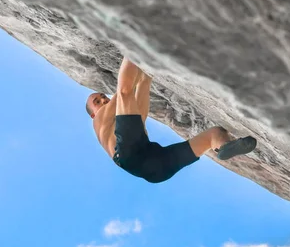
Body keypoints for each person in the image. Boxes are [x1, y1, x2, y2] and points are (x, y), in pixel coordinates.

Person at [86, 56, 257, 183]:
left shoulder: (123, 129)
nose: (103, 100)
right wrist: (133, 55)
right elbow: (123, 92)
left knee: (215, 133)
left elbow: (140, 115)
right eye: (97, 101)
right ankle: (129, 47)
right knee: (125, 91)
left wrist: (145, 77)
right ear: (93, 113)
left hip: (155, 170)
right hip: (129, 156)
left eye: (102, 96)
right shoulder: (98, 121)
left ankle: (224, 145)